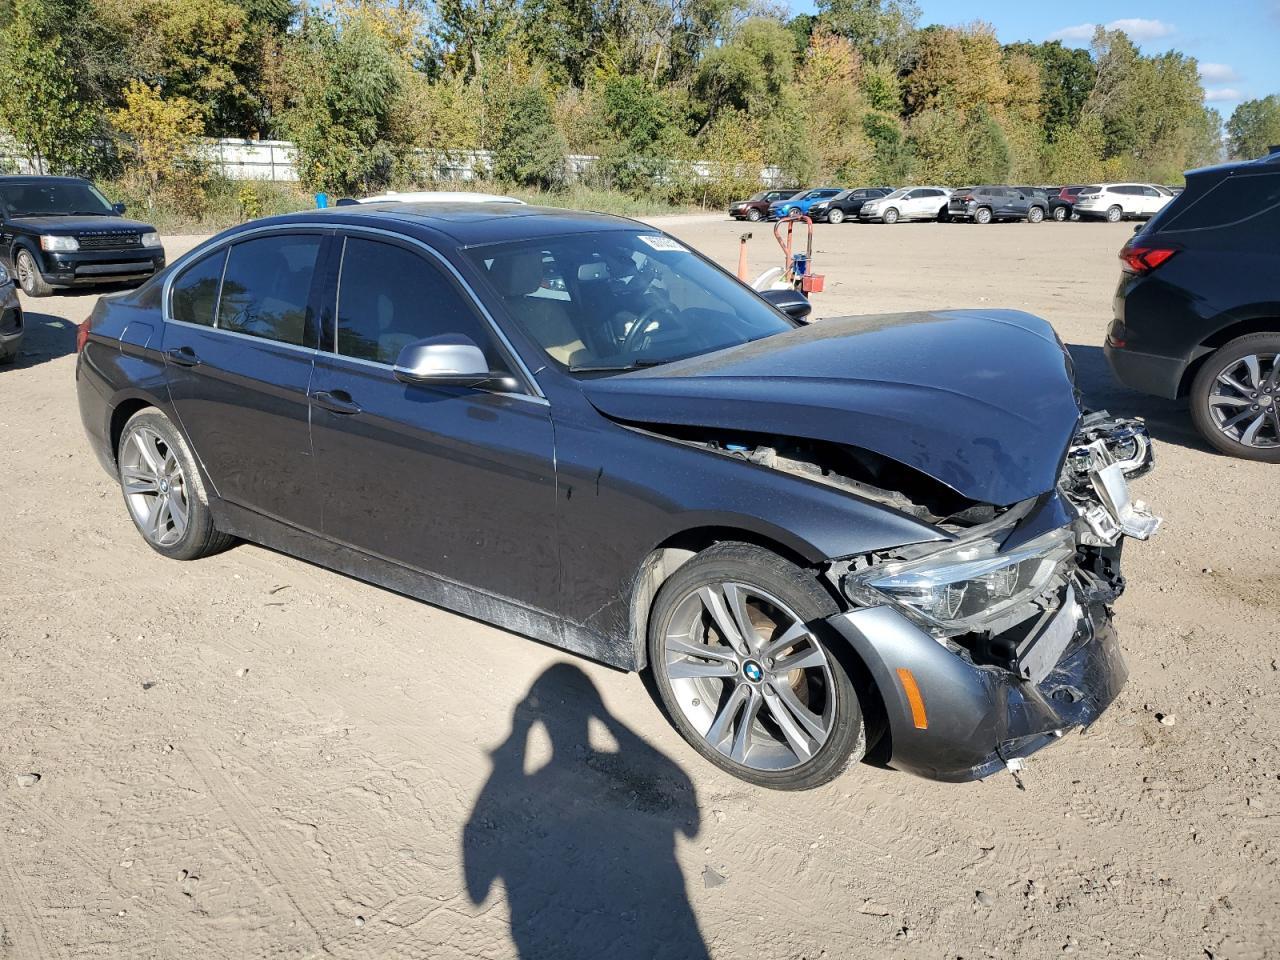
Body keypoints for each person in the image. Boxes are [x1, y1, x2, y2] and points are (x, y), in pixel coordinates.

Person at [464, 663, 710, 960]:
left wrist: (518, 737)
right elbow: (691, 827)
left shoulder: (535, 787)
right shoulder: (550, 783)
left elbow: (477, 889)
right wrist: (607, 718)